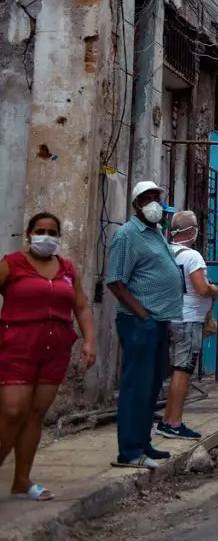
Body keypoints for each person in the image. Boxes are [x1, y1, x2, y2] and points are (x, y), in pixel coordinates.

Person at [0, 212, 96, 500]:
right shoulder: (11, 264)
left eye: (52, 232)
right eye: (40, 230)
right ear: (29, 234)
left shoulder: (67, 268)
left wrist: (90, 341)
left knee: (35, 413)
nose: (46, 236)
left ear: (58, 237)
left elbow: (81, 307)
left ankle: (22, 480)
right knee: (13, 412)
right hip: (17, 347)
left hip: (55, 350)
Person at [106, 181, 184, 468]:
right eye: (147, 198)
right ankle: (129, 451)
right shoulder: (127, 235)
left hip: (159, 320)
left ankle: (143, 442)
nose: (154, 203)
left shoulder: (157, 232)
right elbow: (115, 280)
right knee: (136, 385)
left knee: (151, 386)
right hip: (140, 322)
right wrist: (142, 315)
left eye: (157, 198)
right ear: (136, 204)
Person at [157, 211, 218, 441]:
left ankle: (167, 420)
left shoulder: (166, 252)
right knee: (182, 373)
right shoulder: (192, 257)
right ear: (192, 231)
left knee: (176, 372)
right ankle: (174, 422)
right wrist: (214, 289)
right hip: (188, 319)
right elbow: (202, 288)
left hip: (171, 317)